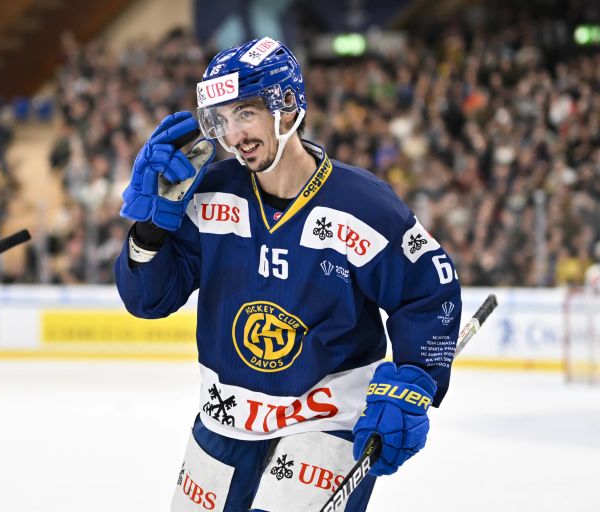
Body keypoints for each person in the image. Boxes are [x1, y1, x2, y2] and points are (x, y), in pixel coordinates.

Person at [114, 37, 462, 512]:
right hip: (226, 415)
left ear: (288, 104)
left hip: (327, 415)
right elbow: (148, 301)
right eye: (223, 119)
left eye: (246, 113)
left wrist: (415, 377)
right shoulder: (210, 194)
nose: (235, 135)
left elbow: (427, 291)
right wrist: (151, 229)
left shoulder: (365, 206)